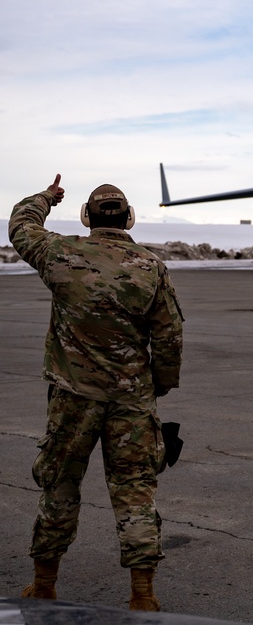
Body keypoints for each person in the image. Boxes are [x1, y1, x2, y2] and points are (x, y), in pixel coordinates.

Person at [9, 175, 184, 612]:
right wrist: (156, 387)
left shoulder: (61, 254)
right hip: (131, 401)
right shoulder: (150, 267)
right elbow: (169, 338)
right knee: (136, 491)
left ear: (86, 218)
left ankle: (45, 585)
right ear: (129, 218)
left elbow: (19, 224)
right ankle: (142, 595)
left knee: (60, 486)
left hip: (73, 397)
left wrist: (46, 198)